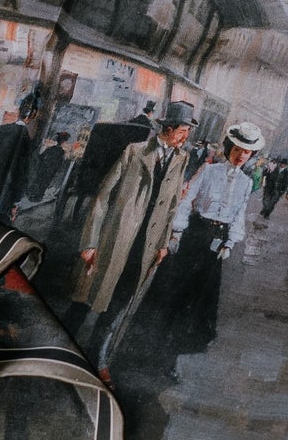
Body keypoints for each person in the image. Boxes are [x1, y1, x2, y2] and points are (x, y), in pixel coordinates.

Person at [76, 100, 196, 368]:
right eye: (183, 131)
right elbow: (102, 198)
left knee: (121, 300)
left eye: (187, 132)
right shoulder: (135, 151)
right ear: (168, 129)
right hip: (117, 236)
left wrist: (163, 244)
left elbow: (172, 205)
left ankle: (97, 357)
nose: (185, 137)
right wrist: (90, 242)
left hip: (146, 243)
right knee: (88, 294)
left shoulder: (181, 159)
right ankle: (65, 342)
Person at [161, 121, 265, 351]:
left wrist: (230, 242)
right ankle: (164, 337)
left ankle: (183, 343)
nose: (240, 156)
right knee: (180, 287)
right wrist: (177, 231)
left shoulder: (246, 182)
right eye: (237, 150)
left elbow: (239, 213)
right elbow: (187, 200)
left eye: (246, 152)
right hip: (197, 232)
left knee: (203, 293)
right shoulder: (209, 171)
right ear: (229, 149)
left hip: (218, 238)